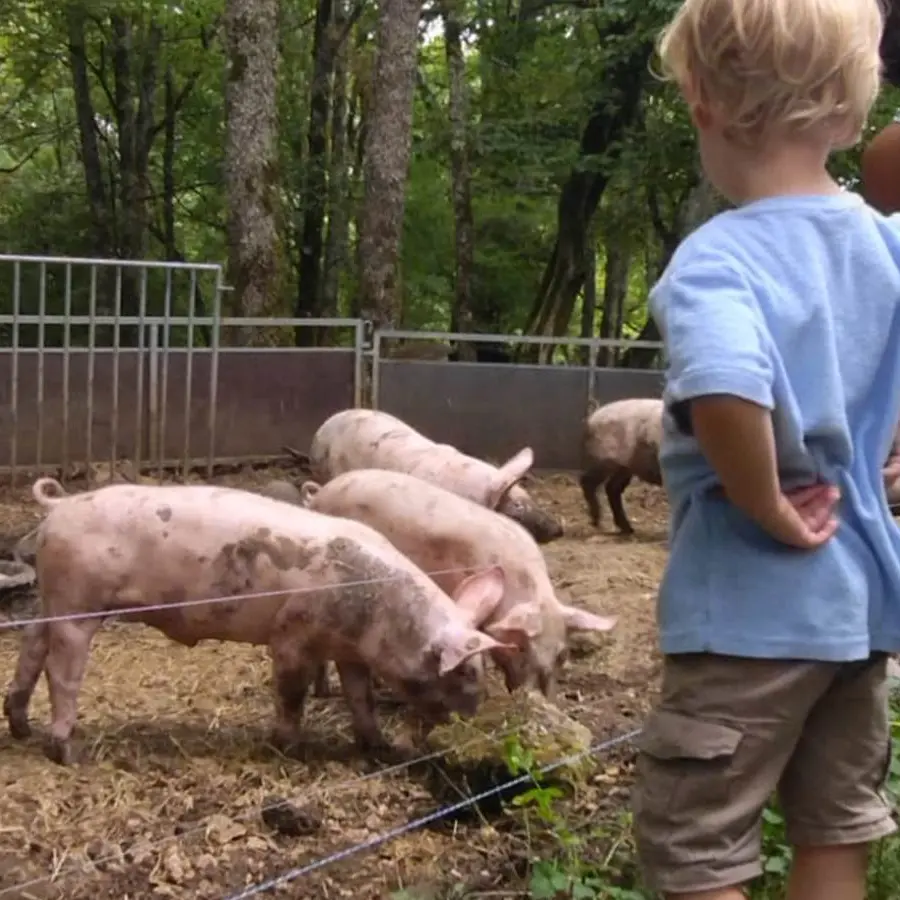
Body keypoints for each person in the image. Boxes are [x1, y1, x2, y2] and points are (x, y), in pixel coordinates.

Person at [631, 0, 900, 898]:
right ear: (853, 114)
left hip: (746, 615)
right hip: (860, 617)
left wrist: (766, 503)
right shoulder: (886, 248)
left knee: (699, 844)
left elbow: (724, 381)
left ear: (702, 103)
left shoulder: (718, 261)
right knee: (835, 831)